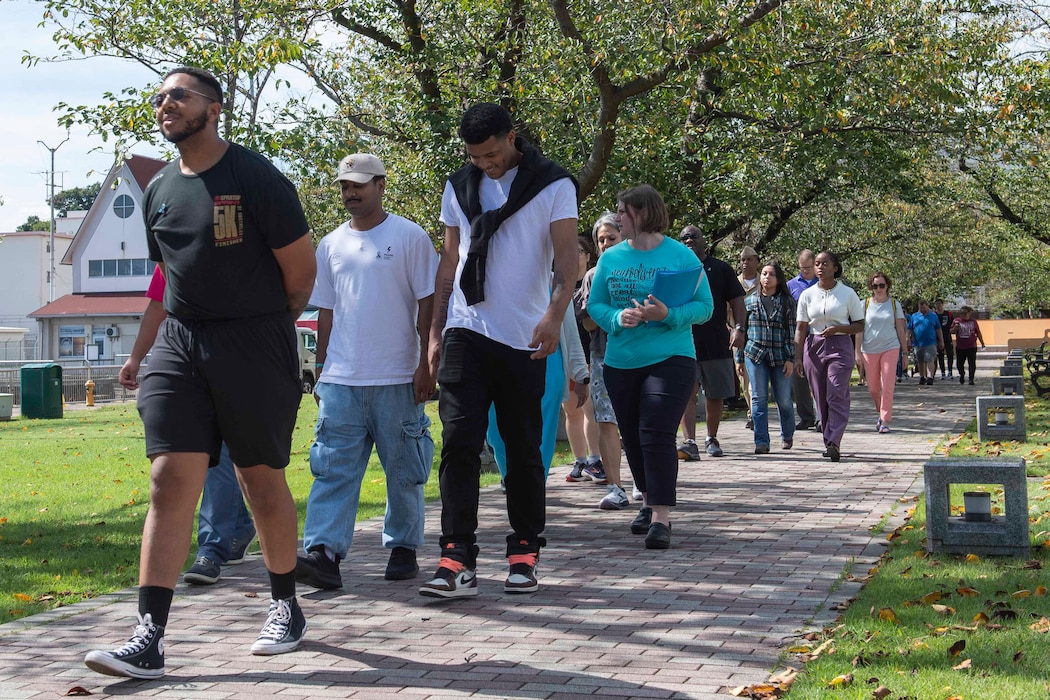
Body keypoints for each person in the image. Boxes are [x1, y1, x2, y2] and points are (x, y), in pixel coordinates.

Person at [85, 66, 316, 679]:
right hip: (180, 345)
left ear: (214, 109)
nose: (166, 104)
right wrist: (144, 350)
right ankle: (149, 636)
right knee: (169, 479)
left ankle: (286, 604)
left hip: (254, 341)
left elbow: (301, 274)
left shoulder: (256, 177)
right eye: (160, 96)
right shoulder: (159, 189)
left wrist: (261, 327)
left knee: (258, 480)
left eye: (179, 95)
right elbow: (167, 279)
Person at [421, 103, 578, 598]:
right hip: (467, 328)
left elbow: (568, 262)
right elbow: (450, 258)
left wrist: (553, 315)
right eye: (475, 157)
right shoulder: (459, 185)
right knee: (459, 443)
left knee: (522, 447)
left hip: (523, 335)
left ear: (512, 137)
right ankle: (455, 558)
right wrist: (434, 329)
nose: (484, 165)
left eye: (491, 154)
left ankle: (524, 552)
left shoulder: (553, 184)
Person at [295, 153, 438, 591]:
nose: (350, 193)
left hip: (397, 374)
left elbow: (430, 302)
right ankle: (324, 553)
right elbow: (326, 310)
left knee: (404, 468)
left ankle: (402, 547)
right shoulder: (330, 244)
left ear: (380, 184)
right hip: (342, 378)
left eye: (358, 184)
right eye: (344, 186)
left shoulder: (409, 236)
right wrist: (320, 368)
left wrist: (426, 363)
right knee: (332, 467)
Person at [586, 185, 714, 549]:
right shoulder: (610, 260)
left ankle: (660, 516)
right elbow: (596, 307)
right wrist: (616, 317)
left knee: (656, 432)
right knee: (633, 436)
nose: (617, 218)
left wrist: (668, 314)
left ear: (641, 214)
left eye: (622, 212)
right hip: (621, 362)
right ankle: (646, 498)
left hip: (671, 357)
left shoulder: (681, 257)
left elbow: (705, 308)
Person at [119, 267, 256, 587]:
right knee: (205, 454)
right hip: (184, 363)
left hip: (236, 359)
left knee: (220, 455)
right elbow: (157, 304)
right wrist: (135, 358)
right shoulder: (175, 242)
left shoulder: (240, 235)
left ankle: (212, 546)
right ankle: (234, 529)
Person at [676, 226, 745, 460]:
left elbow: (737, 302)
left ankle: (711, 438)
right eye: (683, 238)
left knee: (715, 394)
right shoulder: (675, 269)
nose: (688, 240)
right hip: (684, 340)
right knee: (687, 392)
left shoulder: (721, 268)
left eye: (693, 236)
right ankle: (690, 442)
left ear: (704, 241)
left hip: (716, 340)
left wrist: (739, 328)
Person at [580, 213, 633, 507]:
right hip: (602, 355)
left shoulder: (638, 268)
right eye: (601, 240)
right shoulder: (592, 276)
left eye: (611, 238)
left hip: (637, 353)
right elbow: (588, 324)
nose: (605, 244)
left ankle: (641, 481)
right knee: (606, 421)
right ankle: (616, 486)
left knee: (635, 420)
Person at [794, 250, 864, 463]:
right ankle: (829, 441)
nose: (820, 267)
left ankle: (835, 441)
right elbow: (800, 327)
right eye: (817, 263)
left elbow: (860, 325)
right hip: (813, 346)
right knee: (821, 396)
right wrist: (797, 357)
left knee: (836, 392)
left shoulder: (847, 293)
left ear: (835, 267)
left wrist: (839, 329)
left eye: (825, 263)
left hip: (840, 346)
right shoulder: (807, 295)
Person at [562, 234, 606, 486]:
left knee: (591, 410)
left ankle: (595, 459)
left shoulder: (593, 281)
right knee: (571, 411)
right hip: (566, 355)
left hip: (591, 353)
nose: (572, 256)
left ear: (587, 255)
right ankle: (579, 461)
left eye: (578, 251)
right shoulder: (560, 284)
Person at [741, 262, 796, 454]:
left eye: (771, 274)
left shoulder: (787, 302)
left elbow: (791, 332)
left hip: (780, 356)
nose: (766, 277)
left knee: (784, 400)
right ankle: (761, 441)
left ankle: (787, 434)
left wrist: (791, 358)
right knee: (759, 398)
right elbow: (743, 332)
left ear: (778, 279)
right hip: (755, 354)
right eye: (764, 273)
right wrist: (740, 359)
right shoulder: (749, 301)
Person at [855, 272, 908, 434]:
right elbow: (858, 330)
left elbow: (900, 329)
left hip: (890, 347)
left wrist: (905, 353)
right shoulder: (863, 304)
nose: (878, 289)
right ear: (871, 287)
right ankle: (881, 412)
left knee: (887, 385)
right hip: (869, 349)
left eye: (881, 285)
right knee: (873, 388)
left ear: (887, 286)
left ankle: (885, 420)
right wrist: (857, 352)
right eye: (875, 285)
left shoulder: (894, 304)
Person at [787, 250, 819, 431]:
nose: (805, 271)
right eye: (802, 268)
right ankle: (806, 416)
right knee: (799, 378)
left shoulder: (823, 283)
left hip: (818, 335)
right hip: (798, 336)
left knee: (818, 377)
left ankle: (822, 416)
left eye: (808, 267)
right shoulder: (791, 285)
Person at [735, 245, 761, 428]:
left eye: (749, 259)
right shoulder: (735, 282)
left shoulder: (765, 280)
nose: (745, 263)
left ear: (757, 261)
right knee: (743, 374)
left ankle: (757, 412)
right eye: (743, 260)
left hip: (760, 334)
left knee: (758, 376)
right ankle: (752, 412)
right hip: (739, 334)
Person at [907, 299, 944, 386]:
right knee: (920, 361)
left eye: (924, 308)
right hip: (918, 342)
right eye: (921, 308)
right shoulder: (914, 316)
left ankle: (930, 377)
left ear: (927, 306)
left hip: (931, 342)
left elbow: (938, 329)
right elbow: (910, 328)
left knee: (930, 359)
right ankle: (922, 376)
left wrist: (941, 340)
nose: (923, 310)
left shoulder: (933, 316)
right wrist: (908, 338)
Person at [950, 306, 985, 385]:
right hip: (960, 346)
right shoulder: (956, 321)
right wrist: (955, 328)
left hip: (971, 345)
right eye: (961, 313)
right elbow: (951, 331)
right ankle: (962, 374)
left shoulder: (973, 321)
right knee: (959, 364)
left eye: (964, 313)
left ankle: (971, 379)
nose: (962, 315)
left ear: (969, 313)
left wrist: (982, 343)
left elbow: (978, 332)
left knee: (972, 363)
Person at [934, 299, 955, 380]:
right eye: (936, 304)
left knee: (950, 354)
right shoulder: (934, 315)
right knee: (940, 355)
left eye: (939, 304)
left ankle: (950, 371)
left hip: (947, 336)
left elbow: (952, 325)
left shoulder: (948, 314)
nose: (938, 305)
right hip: (938, 338)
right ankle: (942, 372)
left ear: (942, 304)